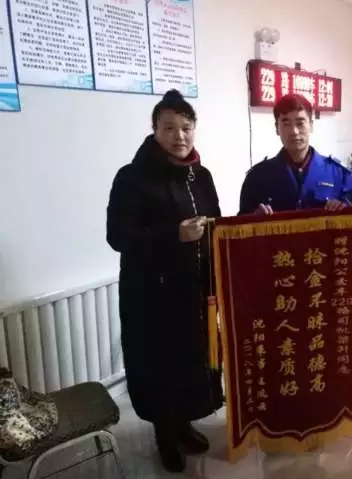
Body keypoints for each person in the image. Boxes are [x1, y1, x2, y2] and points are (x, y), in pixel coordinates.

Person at [106, 90, 224, 473]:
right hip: (151, 294)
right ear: (155, 130)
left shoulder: (200, 176)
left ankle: (184, 423)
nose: (179, 136)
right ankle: (164, 434)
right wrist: (175, 234)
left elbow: (216, 222)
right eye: (169, 128)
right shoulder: (132, 177)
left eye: (186, 127)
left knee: (189, 362)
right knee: (159, 364)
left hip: (193, 289)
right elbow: (118, 236)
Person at [238, 94, 352, 215]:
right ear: (277, 128)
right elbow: (240, 223)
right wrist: (254, 218)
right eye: (286, 123)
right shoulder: (257, 177)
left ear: (311, 126)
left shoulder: (339, 175)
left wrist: (343, 209)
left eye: (300, 123)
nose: (294, 131)